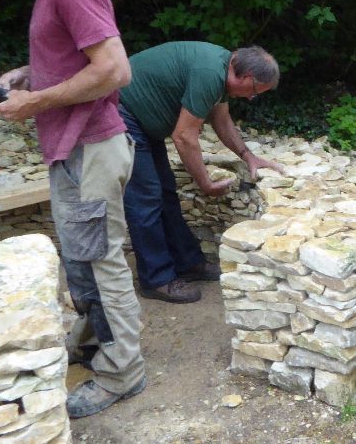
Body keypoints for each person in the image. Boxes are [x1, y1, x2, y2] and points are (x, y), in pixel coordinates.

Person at [0, 0, 145, 419]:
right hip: (75, 147)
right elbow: (77, 57)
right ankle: (94, 341)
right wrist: (28, 76)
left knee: (101, 258)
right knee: (82, 258)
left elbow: (115, 70)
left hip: (91, 147)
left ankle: (123, 372)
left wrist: (34, 102)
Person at [118, 41, 285, 303]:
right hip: (121, 114)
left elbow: (221, 119)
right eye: (254, 92)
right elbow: (184, 136)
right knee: (146, 198)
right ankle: (156, 279)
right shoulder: (209, 73)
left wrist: (248, 156)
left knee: (165, 193)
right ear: (246, 76)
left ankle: (187, 262)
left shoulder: (222, 70)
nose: (252, 98)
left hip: (141, 122)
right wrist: (204, 182)